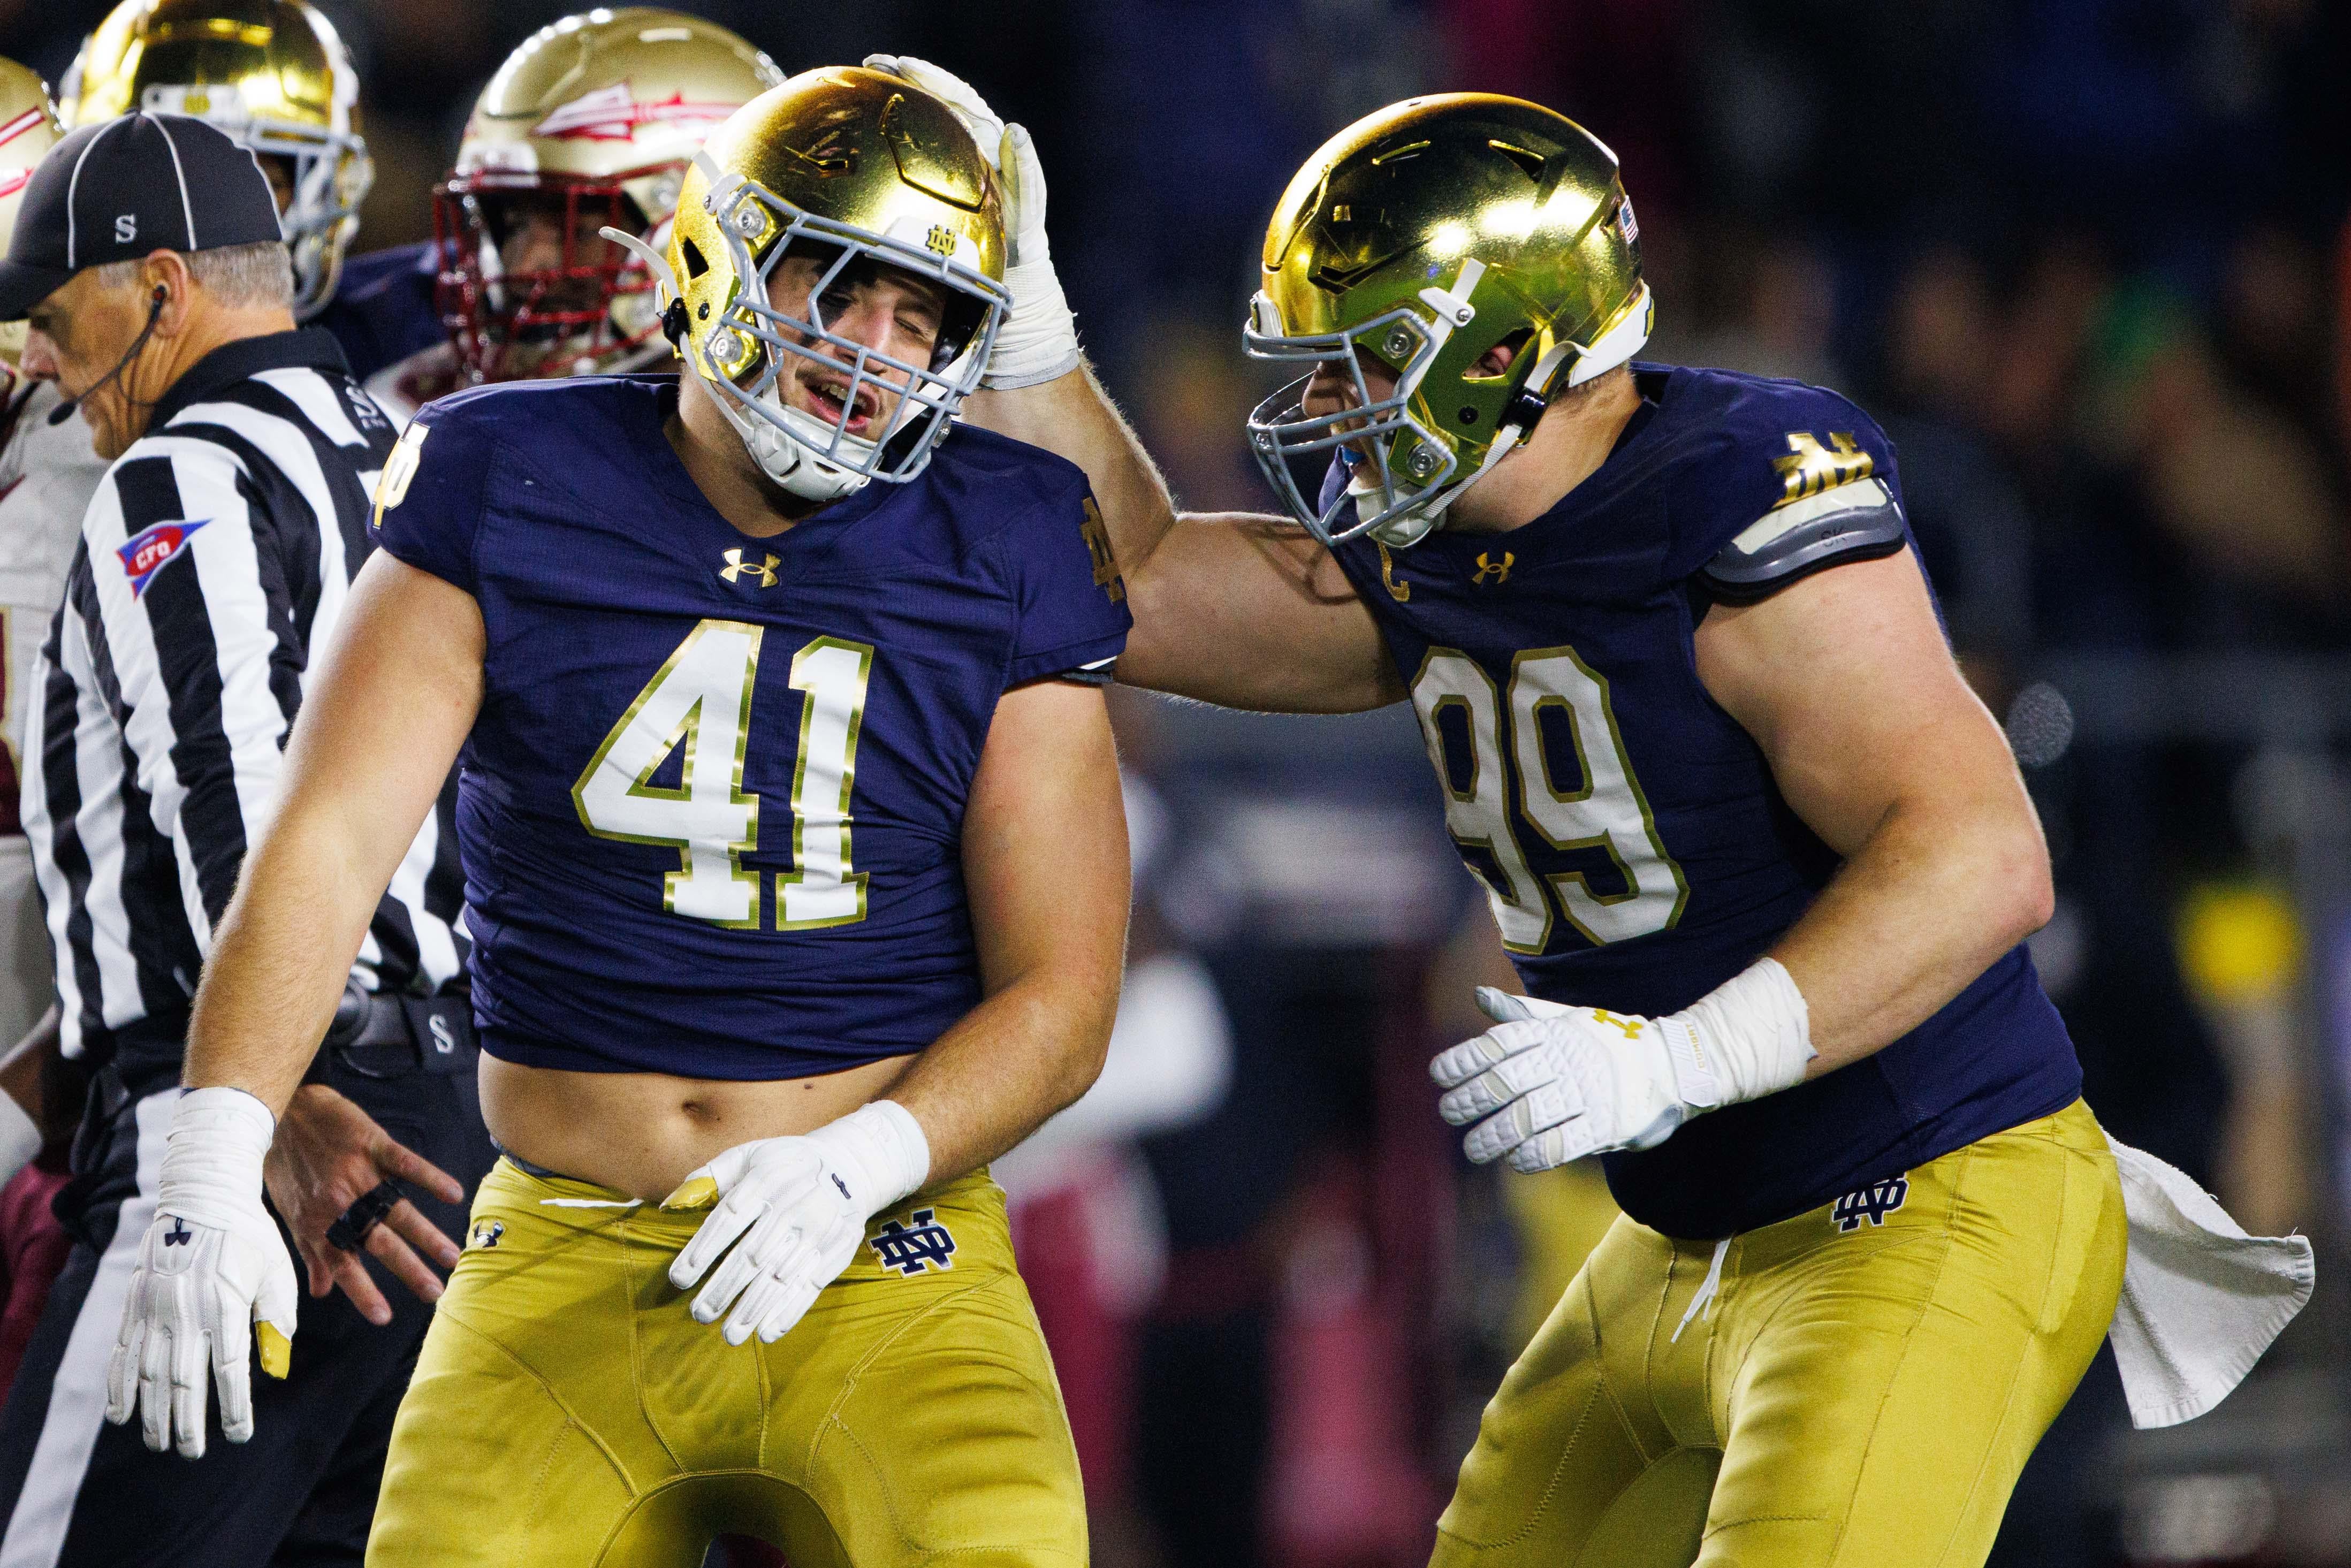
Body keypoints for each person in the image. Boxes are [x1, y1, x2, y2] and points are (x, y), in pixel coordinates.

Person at [915, 72, 2306, 1565]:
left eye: (1362, 361)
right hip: (1686, 1225)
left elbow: (1982, 854)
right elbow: (1132, 586)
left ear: (1510, 350)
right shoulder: (1443, 541)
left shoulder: (1732, 490)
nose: (1325, 411)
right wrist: (1032, 338)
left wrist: (1688, 1052)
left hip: (1922, 1195)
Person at [107, 67, 1131, 1567]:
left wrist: (871, 1156)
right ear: (720, 251)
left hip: (886, 1244)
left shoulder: (1012, 524)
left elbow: (1067, 988)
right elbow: (326, 842)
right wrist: (212, 1149)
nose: (874, 355)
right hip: (559, 1249)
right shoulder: (507, 465)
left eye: (924, 322)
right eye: (844, 290)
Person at [0, 112, 493, 1567]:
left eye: (48, 313)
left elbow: (238, 788)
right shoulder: (411, 449)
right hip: (451, 1111)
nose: (34, 359)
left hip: (252, 1111)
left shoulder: (181, 472)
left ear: (159, 285)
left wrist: (259, 1107)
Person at [355, 6, 782, 418]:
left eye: (579, 229)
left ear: (709, 226)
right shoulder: (400, 403)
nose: (524, 263)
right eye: (514, 224)